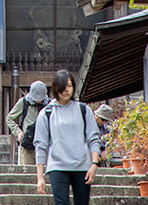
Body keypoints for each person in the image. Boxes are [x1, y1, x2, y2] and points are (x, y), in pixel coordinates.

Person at [33, 70, 103, 205]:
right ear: (55, 88)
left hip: (82, 166)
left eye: (70, 86)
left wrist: (94, 164)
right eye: (63, 87)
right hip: (57, 166)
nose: (66, 90)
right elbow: (41, 145)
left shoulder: (84, 110)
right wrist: (40, 177)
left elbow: (93, 138)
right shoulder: (46, 113)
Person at [7, 81, 51, 166]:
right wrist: (18, 132)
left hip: (45, 144)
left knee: (45, 173)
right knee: (26, 173)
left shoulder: (50, 105)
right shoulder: (23, 102)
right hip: (27, 143)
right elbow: (9, 118)